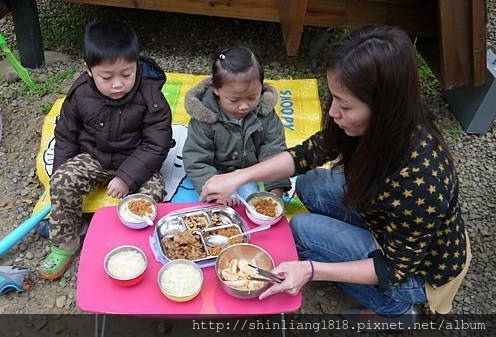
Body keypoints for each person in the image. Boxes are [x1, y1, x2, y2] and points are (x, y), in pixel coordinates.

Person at [200, 26, 470, 327]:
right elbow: (308, 154)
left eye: (344, 105)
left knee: (301, 229)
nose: (332, 112)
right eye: (333, 98)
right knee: (310, 182)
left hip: (417, 270)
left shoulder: (421, 180)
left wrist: (311, 270)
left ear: (382, 107)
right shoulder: (381, 121)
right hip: (385, 220)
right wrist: (238, 176)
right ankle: (345, 243)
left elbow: (392, 268)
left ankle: (396, 310)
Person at [39, 20, 172, 280]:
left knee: (152, 194)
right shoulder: (80, 94)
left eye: (126, 74)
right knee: (64, 180)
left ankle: (128, 243)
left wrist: (126, 177)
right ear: (88, 70)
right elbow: (66, 135)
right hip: (94, 157)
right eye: (107, 77)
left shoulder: (150, 93)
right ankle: (67, 242)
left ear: (136, 65)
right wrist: (60, 175)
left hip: (137, 161)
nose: (118, 84)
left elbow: (158, 142)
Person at [182, 46, 291, 206]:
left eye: (252, 97)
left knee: (255, 201)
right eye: (234, 100)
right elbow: (196, 160)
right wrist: (215, 192)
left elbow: (274, 148)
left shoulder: (265, 112)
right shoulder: (204, 117)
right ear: (216, 90)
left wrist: (276, 189)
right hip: (217, 176)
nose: (244, 106)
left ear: (262, 86)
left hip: (250, 174)